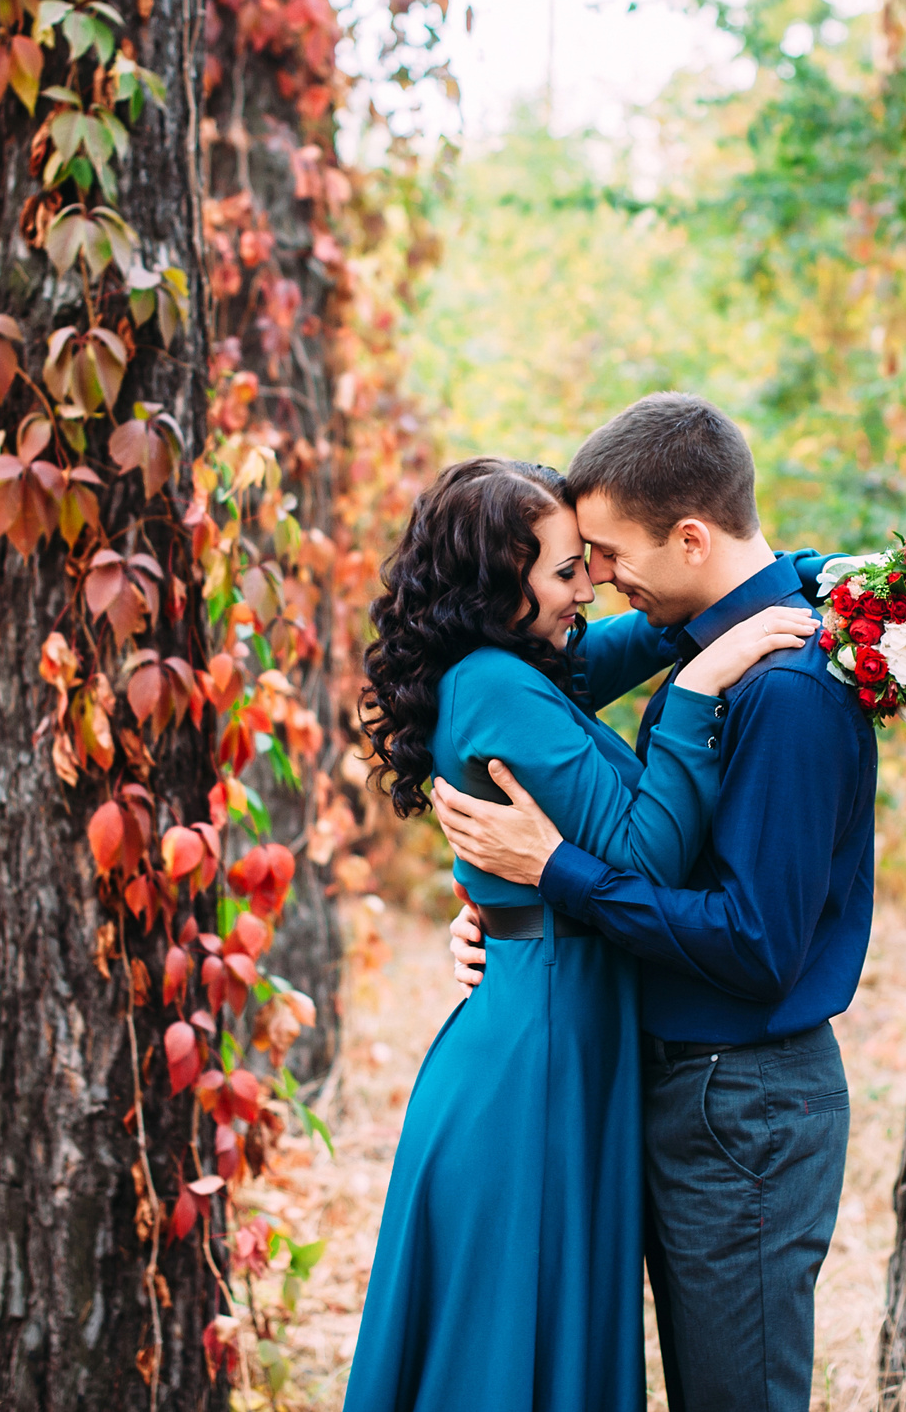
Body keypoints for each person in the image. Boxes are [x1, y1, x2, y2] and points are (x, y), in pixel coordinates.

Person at [343, 455, 820, 1412]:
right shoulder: (496, 684)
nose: (590, 586)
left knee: (544, 1336)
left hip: (560, 1019)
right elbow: (644, 854)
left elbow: (646, 628)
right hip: (538, 1058)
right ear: (497, 585)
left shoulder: (519, 669)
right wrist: (700, 687)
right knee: (507, 1352)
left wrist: (808, 572)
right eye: (567, 571)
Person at [434, 393, 881, 1412]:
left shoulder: (783, 690)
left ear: (688, 539)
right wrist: (509, 916)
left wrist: (558, 876)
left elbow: (755, 944)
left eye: (605, 553)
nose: (597, 579)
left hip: (743, 1097)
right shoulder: (710, 650)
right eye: (577, 562)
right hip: (686, 1083)